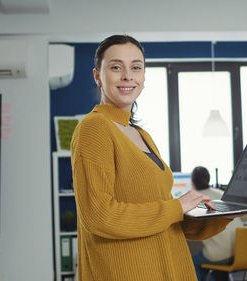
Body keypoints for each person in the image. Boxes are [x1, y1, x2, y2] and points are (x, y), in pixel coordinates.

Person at [70, 34, 236, 281]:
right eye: (116, 67)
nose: (127, 76)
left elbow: (167, 221)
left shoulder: (141, 134)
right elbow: (100, 216)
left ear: (144, 77)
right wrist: (177, 206)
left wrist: (224, 215)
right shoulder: (94, 128)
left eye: (136, 67)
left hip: (169, 266)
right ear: (98, 76)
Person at [190, 166, 247, 281]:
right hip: (239, 250)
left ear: (192, 182)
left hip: (220, 254)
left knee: (191, 260)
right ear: (208, 179)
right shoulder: (221, 194)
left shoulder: (193, 199)